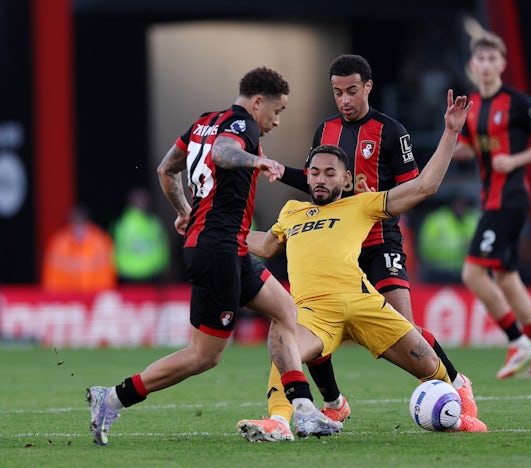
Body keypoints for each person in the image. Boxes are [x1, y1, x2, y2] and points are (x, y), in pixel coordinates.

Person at [85, 66, 342, 446]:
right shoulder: (242, 127)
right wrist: (255, 161)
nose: (275, 120)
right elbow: (223, 153)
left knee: (287, 311)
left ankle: (303, 410)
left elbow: (166, 168)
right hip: (218, 250)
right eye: (277, 110)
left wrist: (183, 211)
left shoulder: (204, 122)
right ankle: (112, 398)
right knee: (203, 356)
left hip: (227, 246)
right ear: (258, 102)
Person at [237, 91, 487, 443]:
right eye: (314, 173)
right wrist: (214, 231)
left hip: (363, 304)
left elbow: (424, 187)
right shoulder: (292, 211)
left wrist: (449, 133)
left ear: (345, 180)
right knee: (283, 342)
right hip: (314, 312)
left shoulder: (362, 204)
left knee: (428, 366)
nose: (320, 179)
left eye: (330, 173)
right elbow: (263, 245)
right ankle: (278, 421)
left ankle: (457, 412)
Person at [452, 31, 531, 378]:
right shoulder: (471, 106)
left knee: (472, 272)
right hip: (491, 198)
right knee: (507, 277)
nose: (485, 65)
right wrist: (458, 151)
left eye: (491, 59)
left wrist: (515, 161)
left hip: (510, 197)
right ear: (473, 65)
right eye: (479, 59)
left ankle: (519, 340)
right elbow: (472, 146)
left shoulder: (518, 103)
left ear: (502, 63)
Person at [42, 205, 116, 292]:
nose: (78, 227)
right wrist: (54, 295)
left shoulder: (100, 241)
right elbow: (52, 274)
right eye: (75, 223)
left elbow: (107, 273)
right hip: (67, 296)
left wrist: (103, 293)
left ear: (88, 222)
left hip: (94, 295)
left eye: (82, 222)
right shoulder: (59, 242)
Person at [110, 187, 170, 283]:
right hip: (130, 274)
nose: (142, 203)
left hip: (151, 273)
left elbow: (162, 247)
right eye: (139, 200)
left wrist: (163, 267)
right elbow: (114, 249)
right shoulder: (123, 224)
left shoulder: (153, 223)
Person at [417, 193, 479, 283]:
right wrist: (460, 247)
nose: (462, 207)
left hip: (464, 273)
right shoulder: (436, 220)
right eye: (459, 204)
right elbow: (426, 248)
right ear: (452, 204)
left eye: (464, 204)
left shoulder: (472, 219)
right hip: (439, 272)